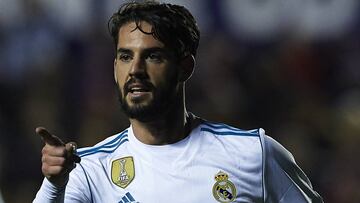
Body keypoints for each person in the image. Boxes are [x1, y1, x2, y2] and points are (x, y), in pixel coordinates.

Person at [34, 1, 323, 203]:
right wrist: (53, 185)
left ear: (185, 67)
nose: (135, 70)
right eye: (125, 56)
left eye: (153, 56)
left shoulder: (254, 154)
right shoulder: (91, 169)